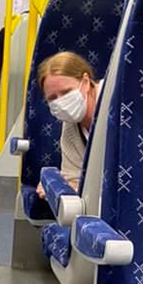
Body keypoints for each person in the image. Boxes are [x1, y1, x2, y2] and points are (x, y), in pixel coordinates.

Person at [35, 51, 104, 198]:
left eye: (66, 92)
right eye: (52, 98)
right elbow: (73, 180)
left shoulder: (117, 103)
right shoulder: (70, 128)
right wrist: (55, 186)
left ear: (85, 82)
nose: (61, 102)